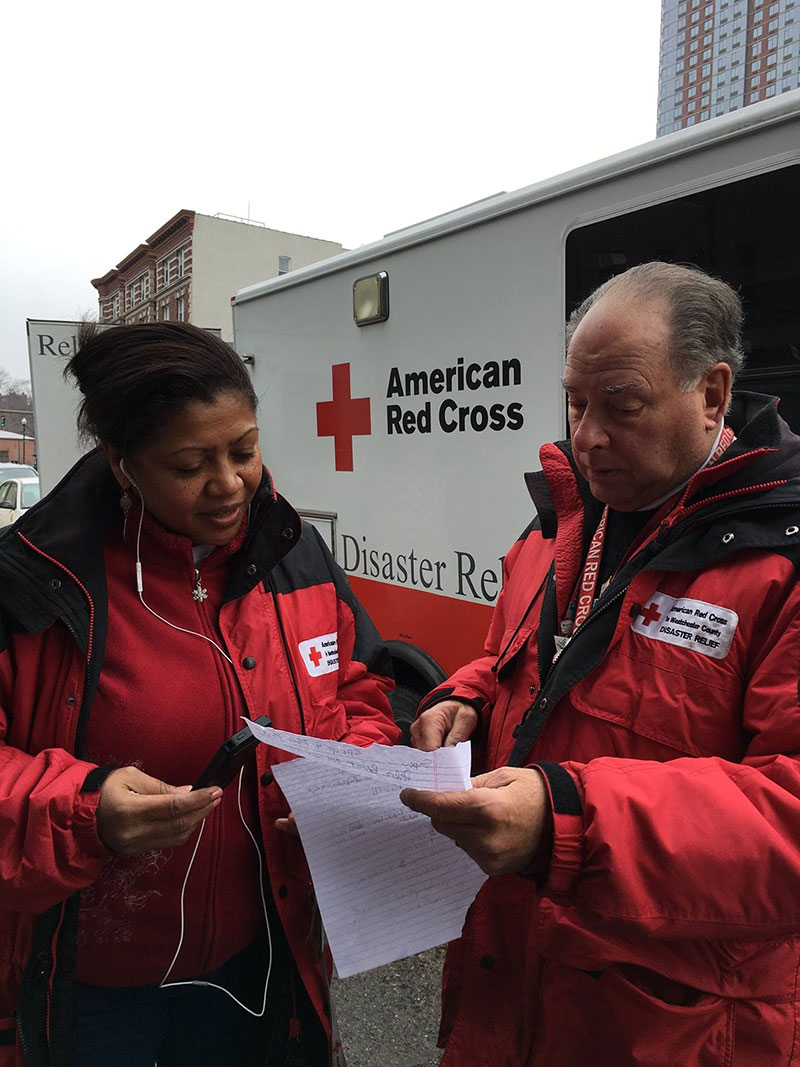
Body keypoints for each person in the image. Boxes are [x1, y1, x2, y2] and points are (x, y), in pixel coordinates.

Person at [400, 262, 800, 1066]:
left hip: (668, 1026)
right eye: (575, 403)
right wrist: (468, 695)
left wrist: (568, 820)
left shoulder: (782, 565)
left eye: (621, 406)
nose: (586, 436)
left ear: (713, 393)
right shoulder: (555, 524)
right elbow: (511, 659)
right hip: (508, 980)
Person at [0, 321, 399, 1067]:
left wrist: (363, 767)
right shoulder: (31, 583)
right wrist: (86, 808)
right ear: (122, 465)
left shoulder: (294, 552)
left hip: (257, 963)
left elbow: (358, 683)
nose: (230, 483)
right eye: (190, 464)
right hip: (90, 989)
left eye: (244, 450)